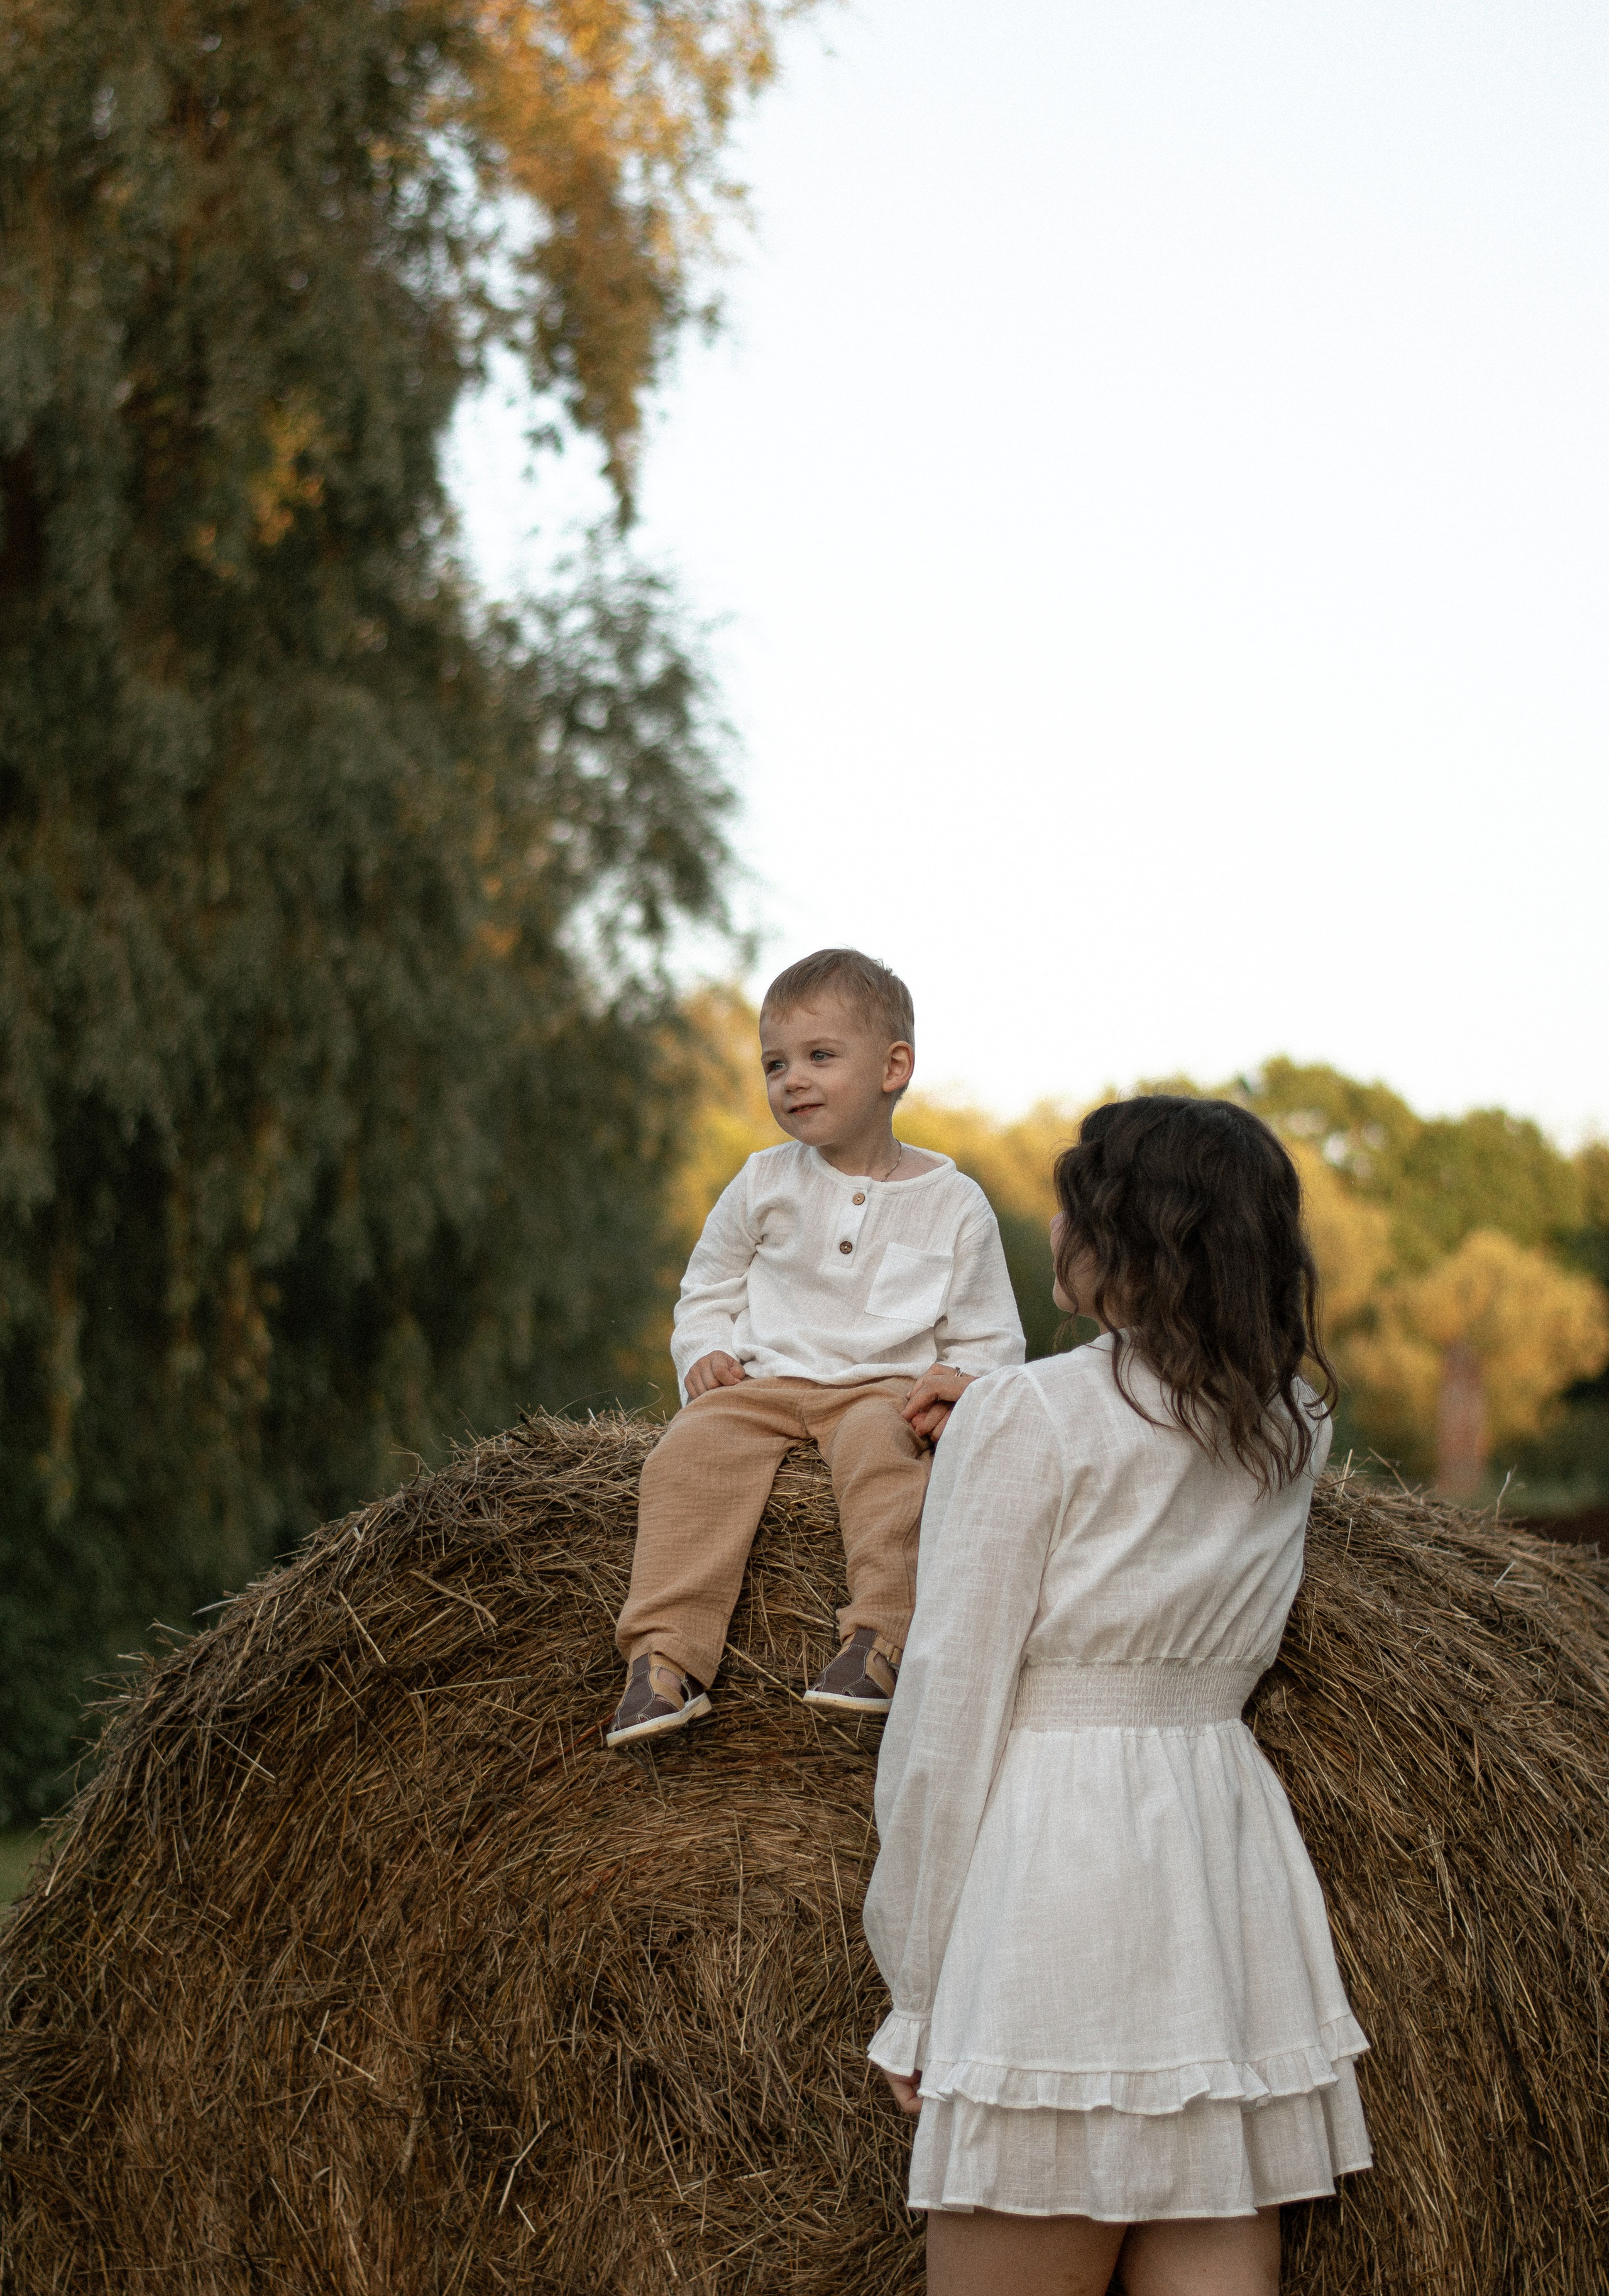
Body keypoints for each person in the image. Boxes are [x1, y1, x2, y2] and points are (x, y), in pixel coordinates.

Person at [862, 1096, 1371, 2296]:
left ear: (1132, 1237)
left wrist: (917, 1990)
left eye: (1072, 1202)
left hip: (1061, 1874)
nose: (1047, 1223)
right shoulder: (1296, 1423)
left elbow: (945, 1712)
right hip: (1225, 1877)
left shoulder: (1030, 1410)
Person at [608, 948, 1024, 1749]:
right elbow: (709, 1288)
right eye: (774, 1064)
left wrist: (958, 1383)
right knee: (687, 1455)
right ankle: (664, 1661)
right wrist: (704, 1351)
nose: (791, 1080)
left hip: (880, 1389)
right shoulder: (763, 1180)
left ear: (893, 1066)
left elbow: (987, 1333)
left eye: (818, 1057)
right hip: (762, 1386)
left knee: (890, 1464)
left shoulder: (955, 1204)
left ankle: (880, 1644)